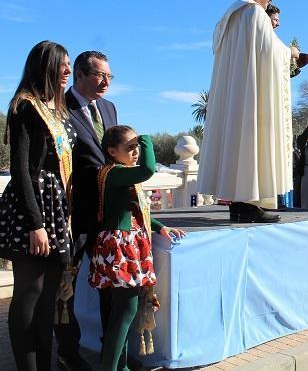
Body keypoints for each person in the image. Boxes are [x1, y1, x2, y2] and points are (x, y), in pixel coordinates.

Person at [198, 0, 300, 223]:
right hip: (250, 92)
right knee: (252, 140)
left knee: (238, 143)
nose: (270, 0)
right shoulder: (254, 13)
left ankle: (239, 204)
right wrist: (291, 53)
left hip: (235, 93)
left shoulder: (228, 18)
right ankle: (248, 202)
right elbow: (268, 50)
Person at [0, 41, 75, 371]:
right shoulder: (24, 107)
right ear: (45, 66)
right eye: (63, 64)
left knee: (49, 300)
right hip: (32, 212)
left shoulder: (56, 110)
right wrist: (36, 224)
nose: (68, 71)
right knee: (29, 297)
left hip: (56, 209)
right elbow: (21, 170)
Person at [89, 125, 185, 371]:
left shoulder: (115, 173)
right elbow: (149, 169)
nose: (136, 152)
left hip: (119, 245)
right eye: (130, 147)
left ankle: (119, 366)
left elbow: (134, 210)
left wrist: (159, 226)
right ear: (112, 151)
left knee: (122, 312)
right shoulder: (116, 173)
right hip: (120, 247)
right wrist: (147, 140)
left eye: (137, 148)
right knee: (124, 312)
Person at [55, 50, 118, 371]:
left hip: (108, 212)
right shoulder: (60, 107)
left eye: (110, 76)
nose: (107, 81)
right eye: (100, 75)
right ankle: (68, 351)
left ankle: (111, 349)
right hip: (74, 213)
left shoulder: (109, 108)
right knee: (67, 284)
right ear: (79, 74)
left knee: (110, 280)